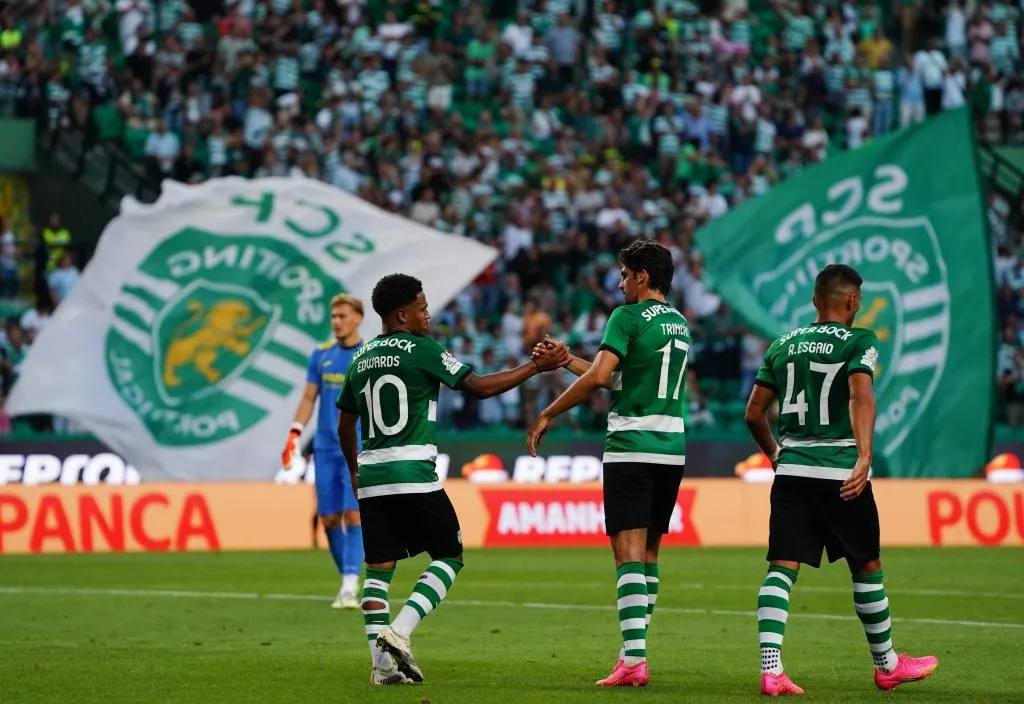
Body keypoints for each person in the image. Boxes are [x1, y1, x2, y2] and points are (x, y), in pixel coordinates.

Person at [336, 273, 568, 686]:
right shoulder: (422, 349)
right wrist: (535, 366)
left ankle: (381, 668)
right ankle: (400, 631)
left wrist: (355, 468)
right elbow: (478, 387)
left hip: (372, 476)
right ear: (403, 315)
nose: (428, 315)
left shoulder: (361, 357)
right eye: (423, 309)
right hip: (413, 472)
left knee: (378, 571)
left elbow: (344, 424)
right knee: (449, 555)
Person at [743, 264, 938, 696]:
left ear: (815, 300)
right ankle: (887, 664)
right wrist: (864, 456)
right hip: (840, 474)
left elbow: (754, 413)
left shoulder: (782, 344)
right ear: (852, 301)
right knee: (866, 565)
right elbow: (860, 394)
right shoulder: (859, 340)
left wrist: (777, 454)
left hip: (792, 472)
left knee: (781, 569)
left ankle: (771, 670)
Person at [526, 239, 689, 688]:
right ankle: (631, 651)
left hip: (631, 446)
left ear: (641, 276)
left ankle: (634, 659)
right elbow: (617, 376)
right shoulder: (678, 322)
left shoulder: (627, 316)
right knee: (651, 552)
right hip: (671, 447)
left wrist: (548, 412)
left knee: (627, 553)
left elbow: (601, 378)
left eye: (624, 275)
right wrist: (568, 361)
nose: (619, 284)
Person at [282, 294, 365, 609]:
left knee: (354, 511)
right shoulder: (321, 355)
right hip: (326, 448)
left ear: (358, 318)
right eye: (334, 316)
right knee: (329, 518)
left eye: (343, 316)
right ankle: (349, 576)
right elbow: (307, 398)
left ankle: (349, 584)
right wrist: (294, 433)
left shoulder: (368, 355)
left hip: (357, 446)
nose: (337, 321)